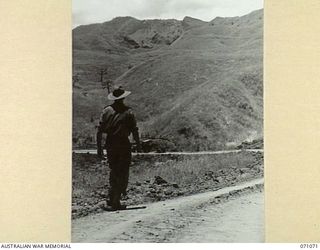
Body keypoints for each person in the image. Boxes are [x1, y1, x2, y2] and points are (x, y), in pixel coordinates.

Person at [96, 86, 141, 210]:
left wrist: (99, 148)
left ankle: (113, 199)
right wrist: (138, 145)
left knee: (114, 170)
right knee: (123, 171)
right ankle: (116, 199)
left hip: (111, 144)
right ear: (124, 98)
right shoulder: (128, 112)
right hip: (123, 144)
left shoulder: (106, 111)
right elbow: (134, 130)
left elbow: (99, 131)